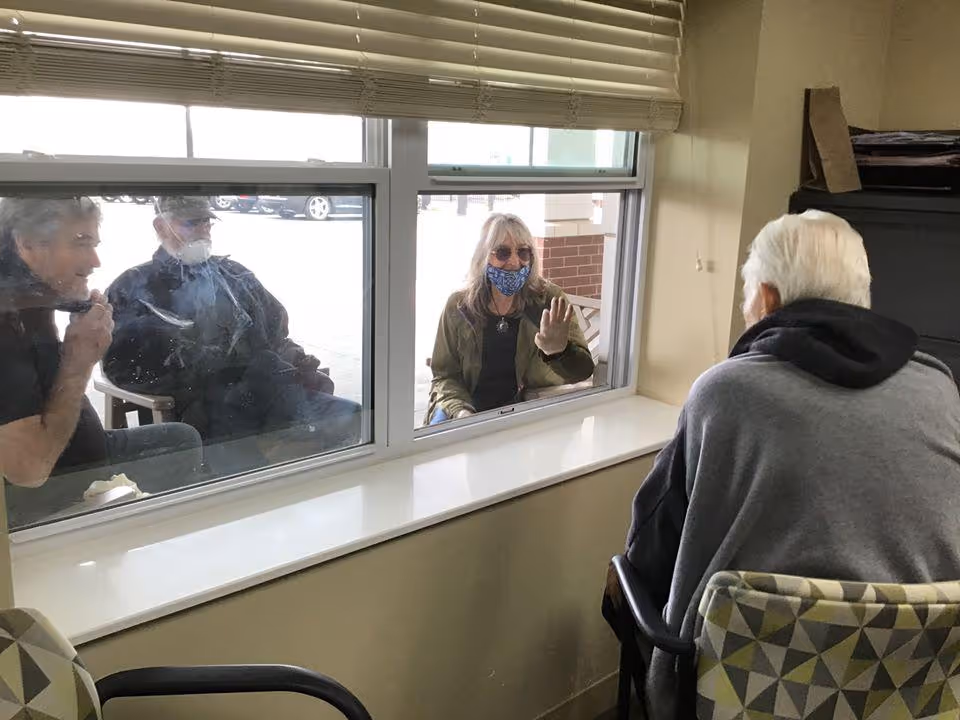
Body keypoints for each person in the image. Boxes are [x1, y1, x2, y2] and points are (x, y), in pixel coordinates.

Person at [611, 210, 960, 719]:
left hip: (739, 697)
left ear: (769, 299)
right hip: (915, 692)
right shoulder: (940, 390)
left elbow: (649, 550)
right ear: (860, 294)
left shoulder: (723, 393)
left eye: (747, 297)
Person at [103, 196, 361, 472]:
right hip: (210, 408)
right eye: (191, 223)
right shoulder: (134, 288)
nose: (203, 230)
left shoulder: (234, 275)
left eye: (207, 222)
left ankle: (288, 466)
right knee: (250, 458)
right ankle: (271, 468)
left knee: (350, 416)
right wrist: (202, 375)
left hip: (268, 392)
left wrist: (295, 359)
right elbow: (121, 368)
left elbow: (275, 331)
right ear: (161, 226)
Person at [0, 197, 203, 529]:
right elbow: (29, 470)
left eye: (94, 244)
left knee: (180, 441)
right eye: (80, 243)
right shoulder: (6, 325)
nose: (94, 261)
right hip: (53, 492)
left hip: (80, 454)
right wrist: (79, 360)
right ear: (26, 242)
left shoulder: (34, 296)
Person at [426, 213, 595, 425]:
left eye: (523, 252)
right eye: (502, 252)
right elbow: (444, 375)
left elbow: (583, 372)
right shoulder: (459, 306)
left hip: (524, 414)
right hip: (464, 407)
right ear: (484, 255)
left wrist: (559, 352)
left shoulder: (548, 300)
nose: (515, 262)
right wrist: (462, 413)